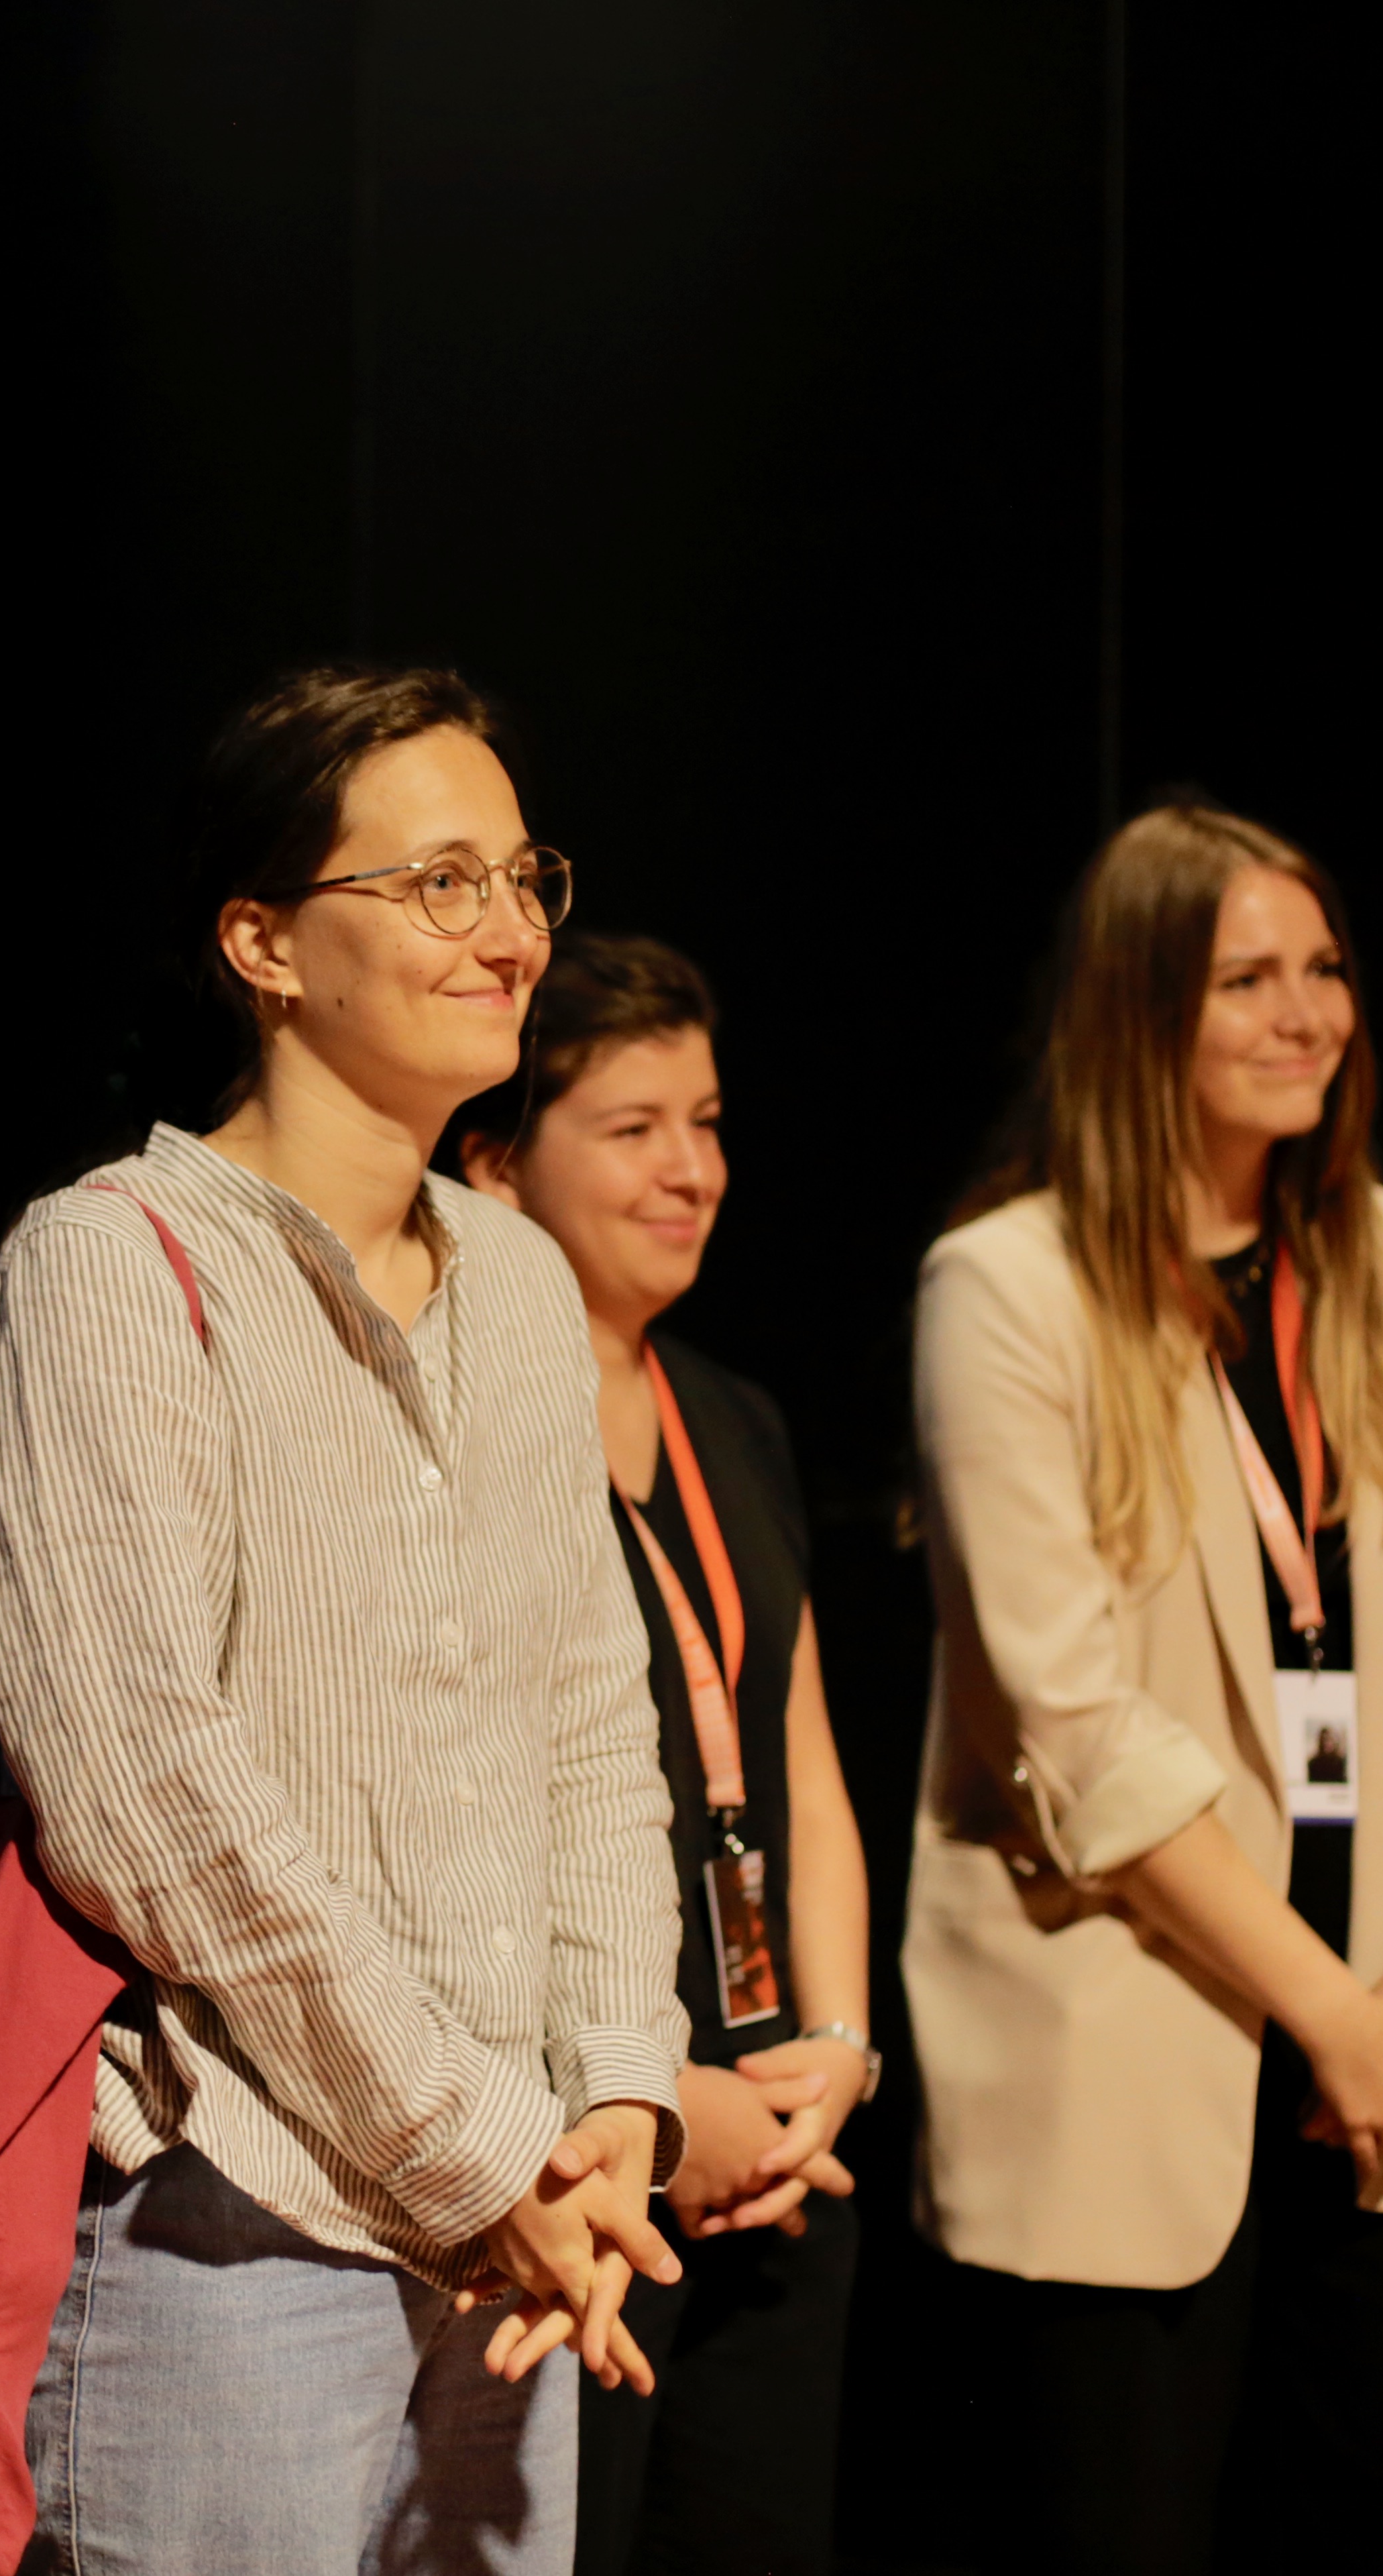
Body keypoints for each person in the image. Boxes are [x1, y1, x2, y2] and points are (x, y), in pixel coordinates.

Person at [0, 667, 689, 2573]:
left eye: (524, 878)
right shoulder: (107, 1268)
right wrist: (472, 2146)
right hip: (230, 2219)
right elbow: (150, 1802)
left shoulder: (520, 1282)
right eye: (439, 884)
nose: (509, 932)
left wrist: (617, 2097)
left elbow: (593, 1723)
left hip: (526, 2229)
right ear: (263, 942)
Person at [901, 804, 1383, 2576]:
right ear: (1135, 1011)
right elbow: (1075, 1733)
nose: (1307, 1014)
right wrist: (1330, 2012)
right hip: (1136, 2040)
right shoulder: (1007, 1287)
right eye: (1247, 979)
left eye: (1324, 970)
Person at [451, 935, 877, 2575]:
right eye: (633, 1130)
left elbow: (803, 1757)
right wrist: (650, 2094)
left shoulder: (733, 1414)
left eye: (704, 1124)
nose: (691, 1171)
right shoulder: (467, 1418)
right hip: (589, 2145)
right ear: (498, 1162)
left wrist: (836, 2044)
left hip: (783, 2131)